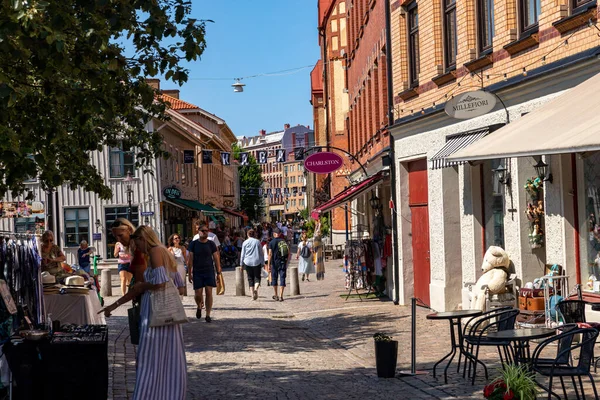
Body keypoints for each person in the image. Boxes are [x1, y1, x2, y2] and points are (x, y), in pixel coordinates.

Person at [99, 225, 187, 400]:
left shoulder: (155, 252)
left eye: (137, 243)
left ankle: (148, 394)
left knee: (150, 357)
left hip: (156, 311)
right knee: (167, 358)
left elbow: (160, 283)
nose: (136, 248)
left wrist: (142, 286)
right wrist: (115, 304)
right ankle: (167, 394)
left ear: (143, 239)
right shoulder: (163, 251)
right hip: (163, 312)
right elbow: (175, 282)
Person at [188, 223, 221, 322]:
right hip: (197, 271)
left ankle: (208, 314)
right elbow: (190, 259)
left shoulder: (211, 244)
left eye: (206, 231)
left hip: (209, 271)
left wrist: (218, 271)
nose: (205, 232)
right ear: (198, 232)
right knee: (198, 293)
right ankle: (199, 306)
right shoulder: (193, 244)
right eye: (203, 231)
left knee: (209, 292)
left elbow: (216, 257)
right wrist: (189, 273)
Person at [111, 218, 147, 287]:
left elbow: (140, 282)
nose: (118, 240)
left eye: (120, 235)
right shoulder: (133, 247)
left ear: (130, 230)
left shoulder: (138, 248)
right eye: (115, 237)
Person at [240, 229, 264, 300]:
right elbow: (261, 253)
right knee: (257, 277)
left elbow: (242, 254)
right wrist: (262, 262)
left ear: (247, 235)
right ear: (254, 234)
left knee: (250, 278)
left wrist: (241, 264)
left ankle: (252, 295)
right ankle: (256, 288)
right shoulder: (257, 242)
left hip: (247, 262)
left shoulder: (245, 242)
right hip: (256, 261)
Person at [267, 228, 290, 301]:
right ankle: (281, 295)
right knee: (282, 278)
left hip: (274, 263)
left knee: (274, 278)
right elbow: (288, 253)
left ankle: (276, 294)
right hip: (282, 262)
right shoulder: (283, 241)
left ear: (274, 234)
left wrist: (268, 264)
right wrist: (286, 262)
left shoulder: (271, 242)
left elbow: (270, 254)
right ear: (279, 234)